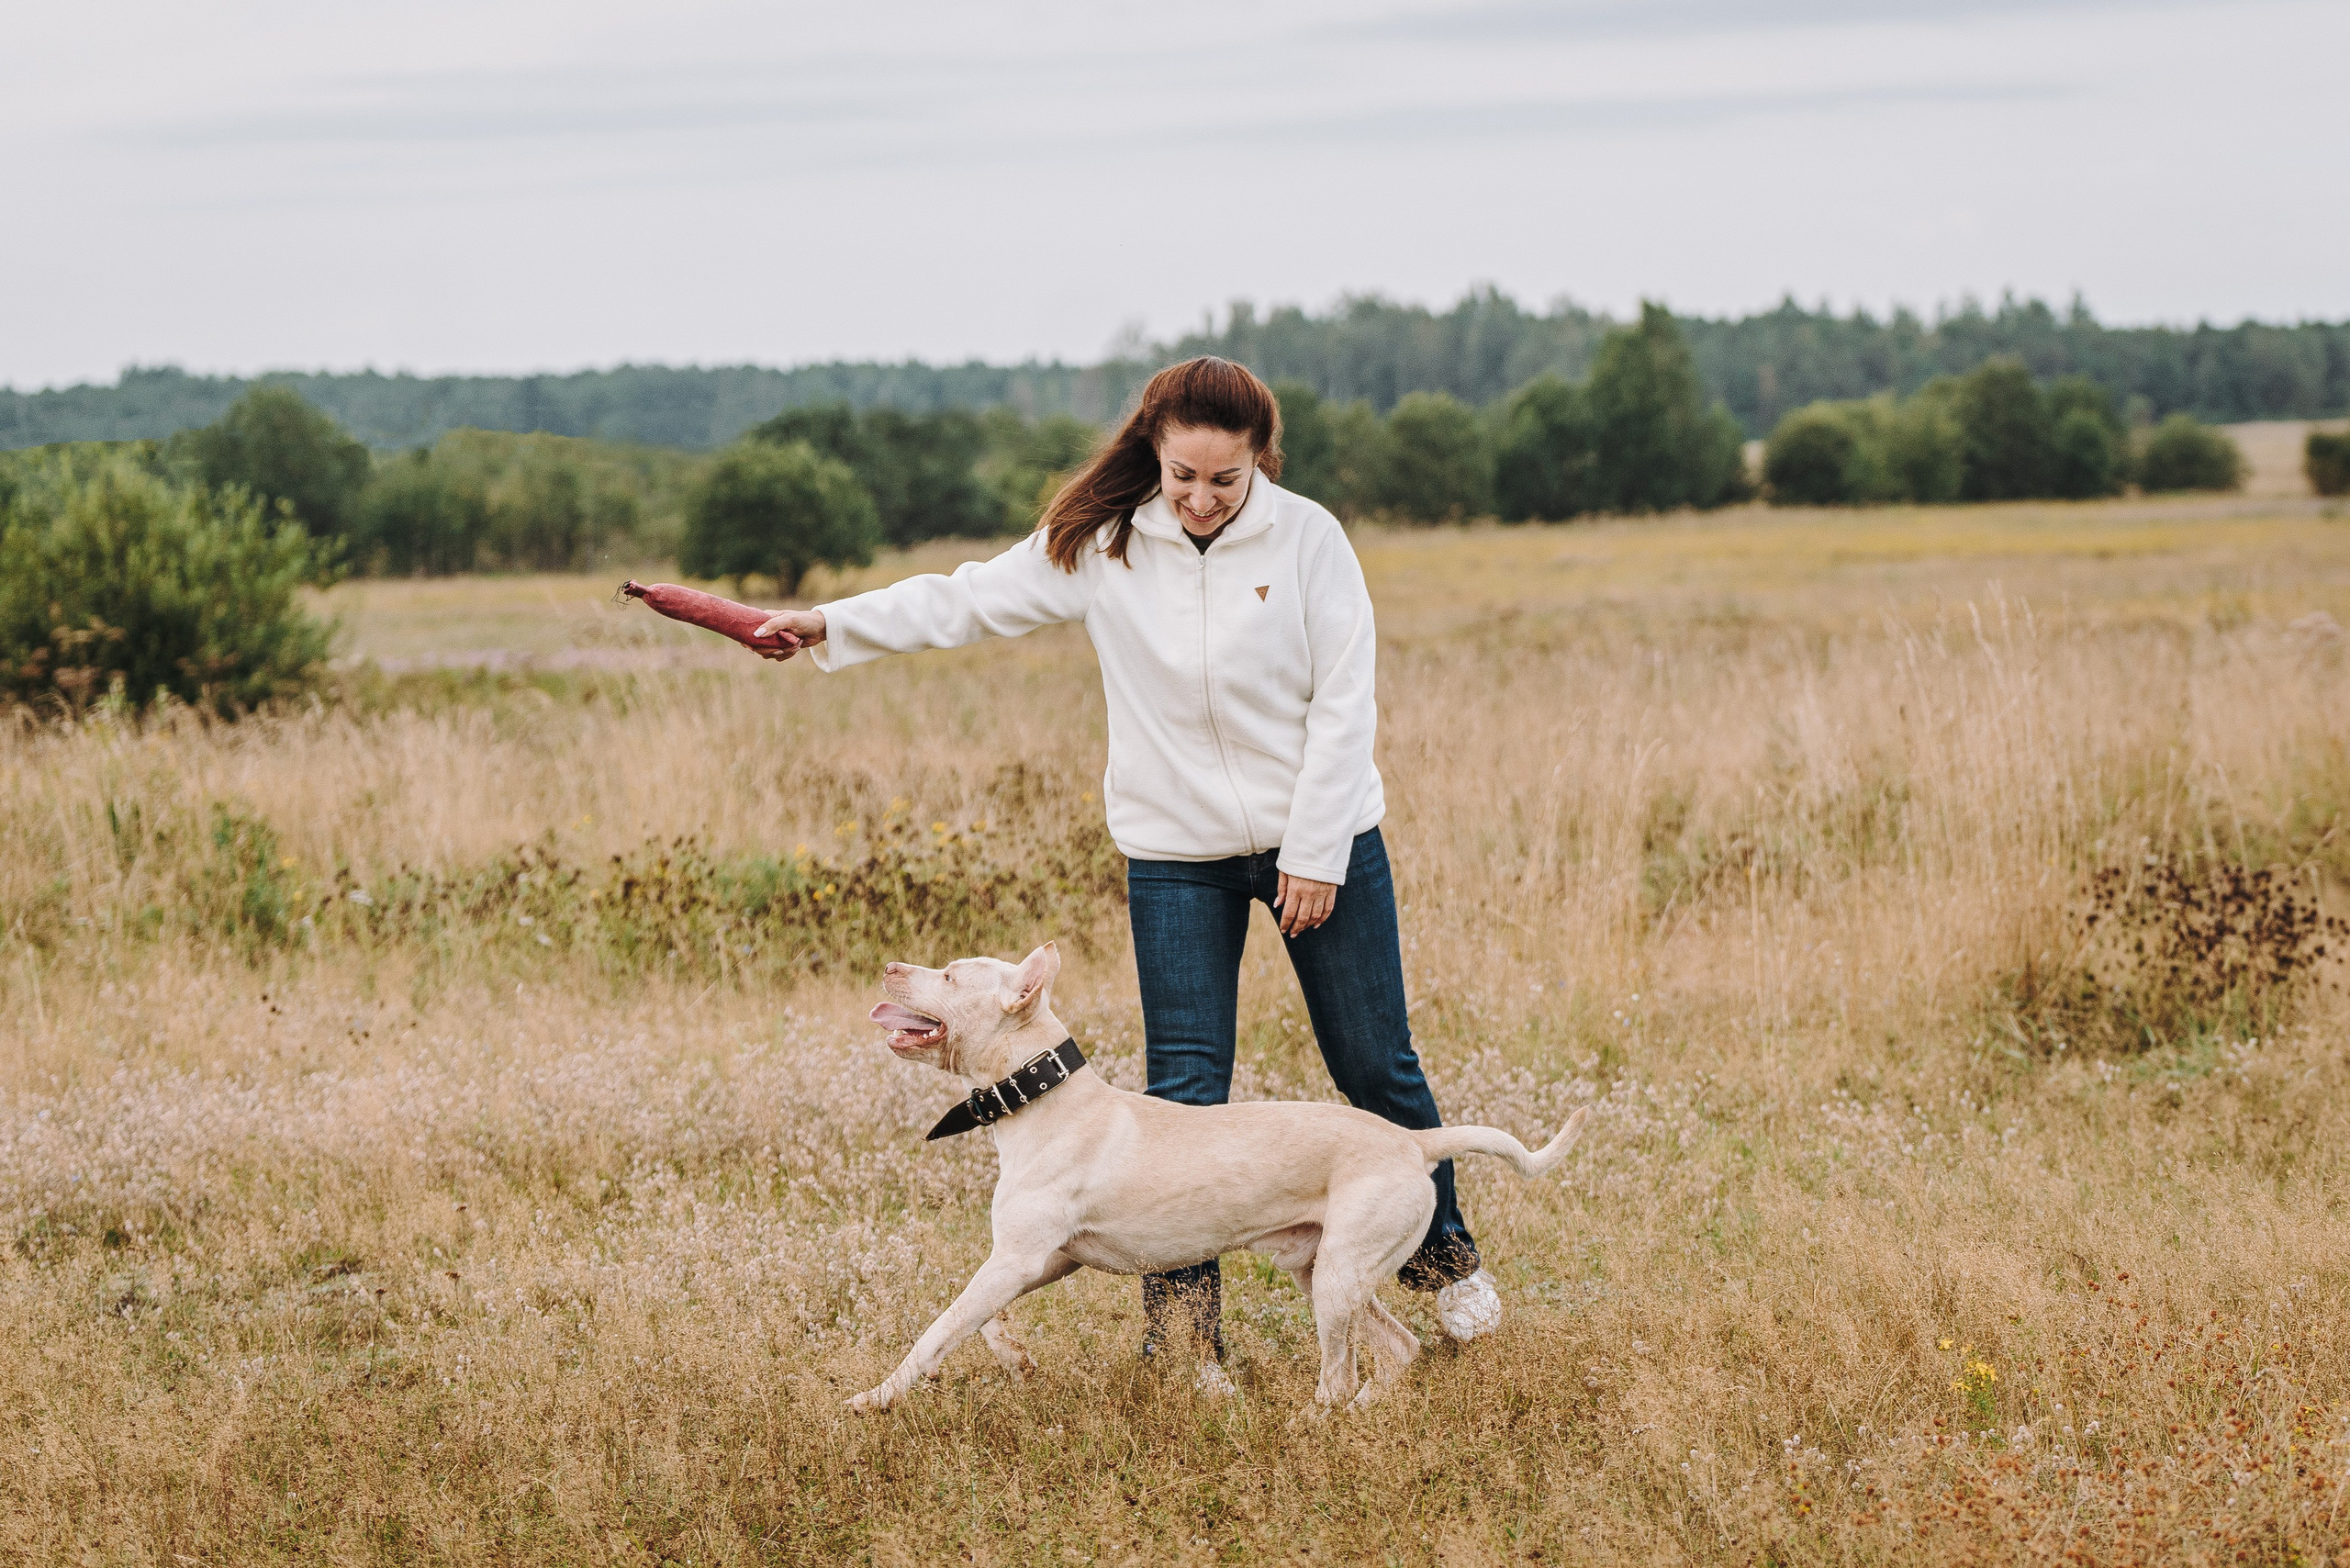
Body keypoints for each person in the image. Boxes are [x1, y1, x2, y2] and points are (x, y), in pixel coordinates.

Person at [750, 356, 1502, 1386]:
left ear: (1258, 465)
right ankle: (1190, 1341)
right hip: (1173, 855)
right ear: (1153, 451)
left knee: (1374, 1065)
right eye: (1181, 475)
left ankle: (1446, 1265)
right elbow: (964, 601)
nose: (1198, 498)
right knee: (1183, 1088)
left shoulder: (1310, 540)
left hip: (1318, 842)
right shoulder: (1103, 544)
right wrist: (830, 623)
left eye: (1222, 481)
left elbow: (1345, 704)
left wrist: (1317, 851)